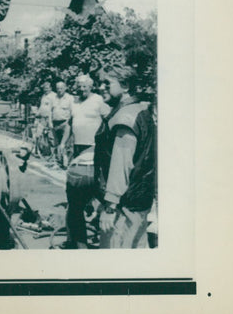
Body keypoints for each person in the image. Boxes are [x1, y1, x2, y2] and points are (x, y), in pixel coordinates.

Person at [94, 64, 157, 249]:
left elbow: (120, 165)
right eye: (100, 83)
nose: (101, 87)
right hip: (138, 201)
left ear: (125, 86)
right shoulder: (138, 110)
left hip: (124, 206)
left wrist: (109, 207)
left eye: (107, 83)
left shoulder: (125, 118)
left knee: (115, 259)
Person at [61, 74, 109, 248]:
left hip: (95, 150)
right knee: (76, 199)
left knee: (101, 193)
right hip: (78, 150)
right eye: (79, 86)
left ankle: (105, 239)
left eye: (84, 86)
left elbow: (109, 121)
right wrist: (62, 143)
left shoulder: (98, 101)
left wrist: (104, 144)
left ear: (91, 86)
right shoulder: (74, 102)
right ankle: (79, 243)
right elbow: (69, 123)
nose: (81, 89)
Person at [50, 80, 74, 167]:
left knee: (66, 144)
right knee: (56, 144)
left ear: (65, 88)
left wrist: (69, 124)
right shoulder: (53, 98)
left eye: (61, 88)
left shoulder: (70, 98)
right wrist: (50, 122)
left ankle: (66, 163)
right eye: (58, 88)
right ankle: (58, 162)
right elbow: (50, 111)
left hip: (65, 123)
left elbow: (72, 112)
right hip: (55, 124)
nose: (59, 90)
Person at [31, 80, 56, 157]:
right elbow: (42, 107)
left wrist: (50, 120)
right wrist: (37, 114)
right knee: (38, 135)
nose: (46, 90)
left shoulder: (54, 96)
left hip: (49, 118)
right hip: (41, 118)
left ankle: (53, 155)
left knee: (51, 137)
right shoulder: (43, 96)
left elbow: (53, 108)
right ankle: (39, 152)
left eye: (47, 88)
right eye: (45, 88)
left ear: (51, 88)